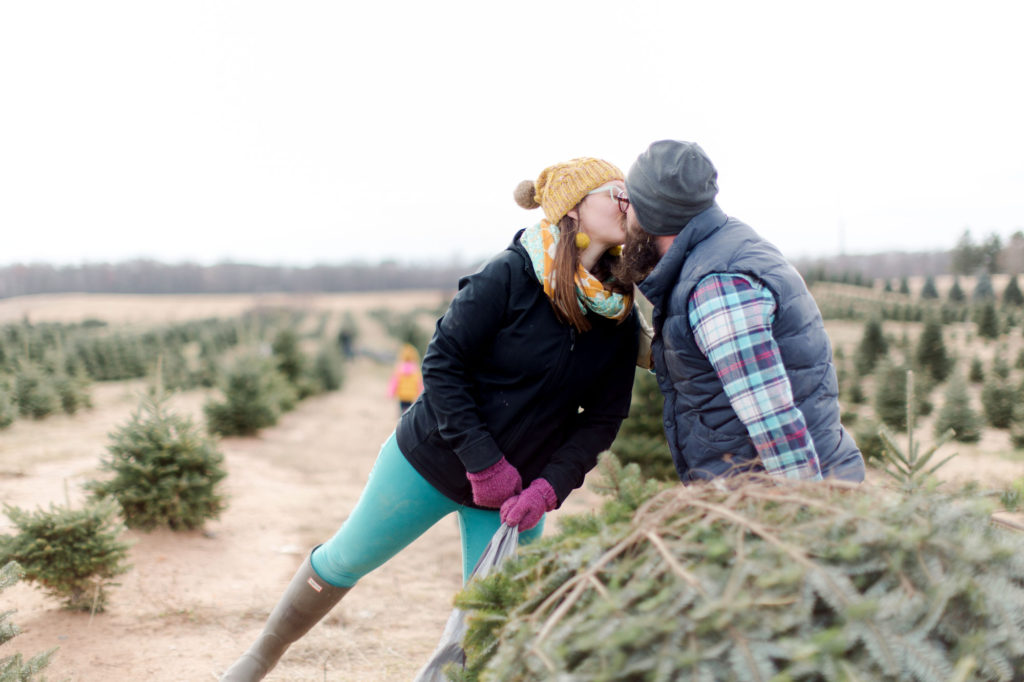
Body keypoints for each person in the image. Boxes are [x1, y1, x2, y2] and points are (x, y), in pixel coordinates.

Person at [220, 157, 639, 680]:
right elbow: (442, 363)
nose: (629, 203)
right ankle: (261, 657)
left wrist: (548, 489)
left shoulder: (619, 315)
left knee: (500, 615)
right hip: (431, 460)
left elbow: (603, 418)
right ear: (575, 206)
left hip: (516, 497)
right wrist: (483, 461)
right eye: (616, 192)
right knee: (345, 559)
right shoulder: (510, 273)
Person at [614, 140, 865, 483]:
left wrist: (808, 520)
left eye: (628, 203)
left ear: (654, 214)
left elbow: (773, 423)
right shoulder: (724, 247)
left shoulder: (715, 286)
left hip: (774, 508)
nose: (624, 216)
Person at [388, 342, 423, 414]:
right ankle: (407, 420)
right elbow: (419, 383)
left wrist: (391, 392)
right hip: (411, 395)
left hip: (402, 395)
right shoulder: (415, 369)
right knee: (409, 410)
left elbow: (395, 381)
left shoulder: (399, 368)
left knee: (402, 409)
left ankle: (401, 418)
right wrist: (420, 393)